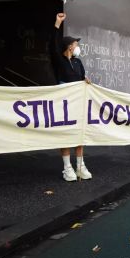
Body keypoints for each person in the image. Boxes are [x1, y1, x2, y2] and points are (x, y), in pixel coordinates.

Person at [51, 11, 92, 182]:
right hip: (64, 102)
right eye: (75, 44)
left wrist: (86, 81)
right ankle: (67, 168)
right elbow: (52, 44)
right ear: (69, 46)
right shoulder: (59, 60)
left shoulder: (78, 62)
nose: (77, 46)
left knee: (79, 132)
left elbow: (82, 78)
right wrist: (57, 23)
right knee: (66, 133)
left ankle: (80, 166)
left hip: (78, 102)